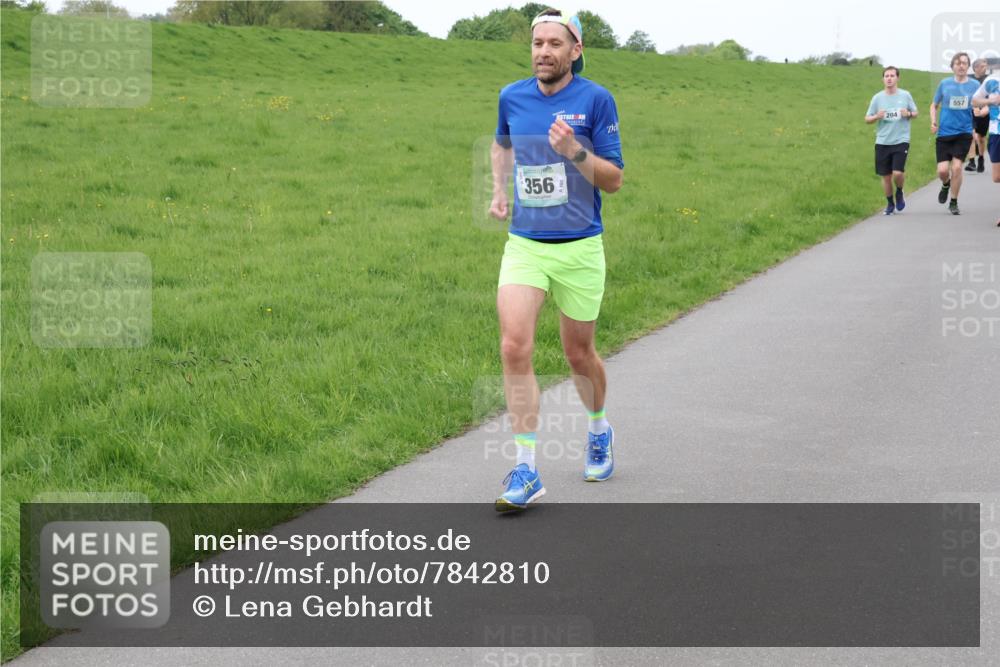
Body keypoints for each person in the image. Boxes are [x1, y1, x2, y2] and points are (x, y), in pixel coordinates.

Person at [489, 8, 624, 511]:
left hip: (581, 247)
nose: (543, 51)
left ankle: (598, 429)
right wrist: (499, 190)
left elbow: (614, 179)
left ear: (576, 51)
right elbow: (502, 146)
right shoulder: (512, 96)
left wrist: (575, 152)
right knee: (513, 345)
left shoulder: (595, 100)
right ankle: (525, 468)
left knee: (578, 355)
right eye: (537, 43)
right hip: (525, 244)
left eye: (554, 43)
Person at [930, 52, 981, 215]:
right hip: (944, 133)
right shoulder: (944, 84)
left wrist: (980, 111)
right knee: (943, 171)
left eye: (964, 63)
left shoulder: (974, 85)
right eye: (958, 63)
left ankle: (953, 201)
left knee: (957, 167)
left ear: (968, 66)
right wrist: (933, 122)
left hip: (963, 132)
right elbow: (934, 105)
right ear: (952, 66)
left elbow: (980, 103)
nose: (961, 66)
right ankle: (946, 184)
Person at [865, 66, 918, 215]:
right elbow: (867, 118)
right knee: (886, 176)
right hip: (882, 141)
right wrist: (876, 116)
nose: (889, 78)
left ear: (897, 78)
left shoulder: (905, 95)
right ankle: (889, 204)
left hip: (901, 139)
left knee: (898, 173)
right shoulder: (877, 98)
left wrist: (907, 113)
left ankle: (899, 192)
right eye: (886, 76)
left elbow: (915, 113)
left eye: (892, 76)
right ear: (883, 79)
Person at [972, 69, 1000, 225]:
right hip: (996, 131)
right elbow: (975, 101)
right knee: (997, 177)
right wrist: (990, 101)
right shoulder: (992, 80)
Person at [965, 58, 990, 173]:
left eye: (986, 66)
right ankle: (971, 162)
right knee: (971, 135)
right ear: (976, 68)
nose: (985, 68)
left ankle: (980, 158)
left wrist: (985, 109)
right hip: (970, 110)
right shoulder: (968, 79)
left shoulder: (989, 79)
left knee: (981, 138)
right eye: (983, 66)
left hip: (984, 111)